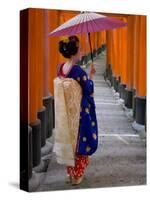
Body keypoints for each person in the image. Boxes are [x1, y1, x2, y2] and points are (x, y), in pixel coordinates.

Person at [56, 35, 98, 185]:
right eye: (80, 50)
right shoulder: (79, 72)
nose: (82, 52)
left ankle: (71, 173)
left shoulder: (60, 68)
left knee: (70, 142)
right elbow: (88, 91)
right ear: (74, 52)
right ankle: (77, 175)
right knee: (81, 142)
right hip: (79, 114)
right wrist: (91, 76)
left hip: (66, 112)